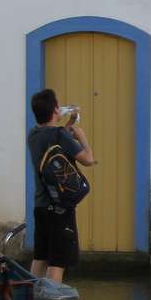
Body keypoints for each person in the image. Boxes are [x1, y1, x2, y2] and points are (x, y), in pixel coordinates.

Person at [28, 88, 96, 282]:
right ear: (56, 110)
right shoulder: (59, 135)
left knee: (40, 257)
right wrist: (82, 138)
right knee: (58, 262)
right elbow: (88, 160)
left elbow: (54, 138)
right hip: (60, 208)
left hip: (41, 206)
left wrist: (69, 125)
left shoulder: (33, 135)